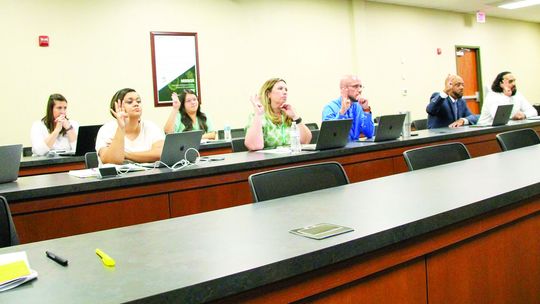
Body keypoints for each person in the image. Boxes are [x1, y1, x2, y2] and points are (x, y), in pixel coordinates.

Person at [95, 88, 165, 165]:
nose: (136, 104)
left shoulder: (151, 126)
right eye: (130, 102)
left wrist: (125, 154)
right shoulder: (107, 129)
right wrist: (121, 128)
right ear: (116, 107)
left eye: (138, 101)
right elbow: (110, 160)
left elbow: (160, 154)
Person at [244, 78, 311, 151]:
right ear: (268, 94)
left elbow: (306, 141)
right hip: (269, 160)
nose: (285, 92)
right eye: (280, 89)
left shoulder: (289, 114)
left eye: (286, 90)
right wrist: (258, 114)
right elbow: (254, 146)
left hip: (292, 158)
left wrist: (295, 117)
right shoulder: (258, 116)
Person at [322, 75, 374, 141]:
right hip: (338, 150)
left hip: (355, 148)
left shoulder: (358, 106)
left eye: (360, 86)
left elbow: (369, 134)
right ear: (343, 89)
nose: (360, 90)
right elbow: (330, 137)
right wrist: (342, 112)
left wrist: (366, 110)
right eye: (355, 86)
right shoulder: (329, 108)